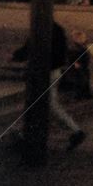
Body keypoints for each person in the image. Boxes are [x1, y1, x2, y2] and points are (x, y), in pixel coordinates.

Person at [12, 21, 85, 150]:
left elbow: (31, 47)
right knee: (47, 103)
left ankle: (75, 131)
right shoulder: (57, 29)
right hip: (53, 71)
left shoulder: (42, 27)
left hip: (45, 72)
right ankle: (74, 131)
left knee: (42, 103)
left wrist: (17, 56)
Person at [66, 30, 93, 99]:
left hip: (83, 66)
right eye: (83, 38)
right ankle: (78, 96)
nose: (85, 39)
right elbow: (71, 58)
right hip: (78, 67)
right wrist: (76, 64)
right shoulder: (74, 48)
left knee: (85, 79)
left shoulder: (81, 47)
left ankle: (86, 94)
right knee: (79, 81)